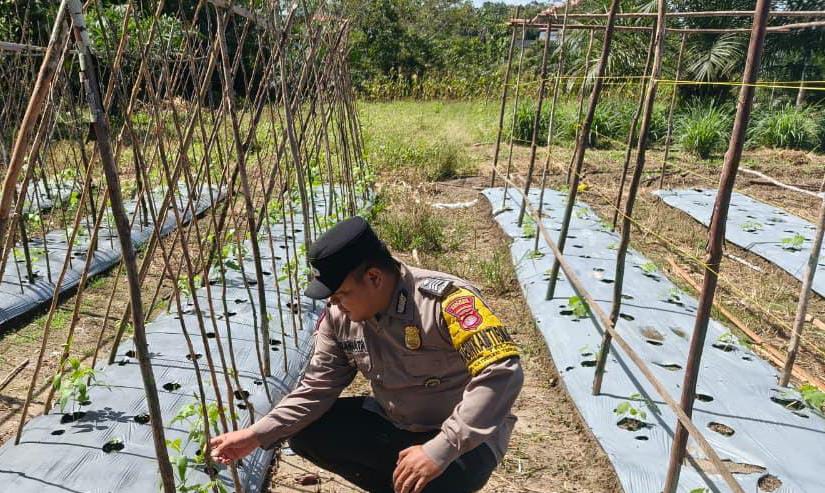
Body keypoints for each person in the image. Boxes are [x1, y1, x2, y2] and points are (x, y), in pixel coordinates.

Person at [210, 216, 524, 493]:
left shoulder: (444, 302)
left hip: (465, 441)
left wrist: (441, 448)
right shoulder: (339, 317)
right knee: (306, 432)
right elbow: (316, 389)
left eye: (342, 294)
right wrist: (254, 435)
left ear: (374, 277)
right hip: (398, 425)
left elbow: (502, 371)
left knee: (446, 481)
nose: (335, 305)